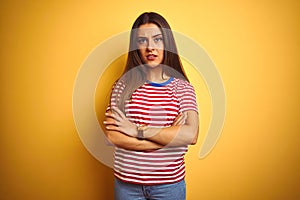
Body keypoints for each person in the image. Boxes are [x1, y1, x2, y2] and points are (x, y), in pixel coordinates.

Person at [103, 12, 199, 200]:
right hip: (126, 186)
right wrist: (170, 139)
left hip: (169, 185)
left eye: (157, 40)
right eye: (142, 41)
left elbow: (191, 135)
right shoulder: (122, 86)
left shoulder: (182, 88)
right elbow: (113, 136)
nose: (150, 48)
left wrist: (135, 130)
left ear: (167, 44)